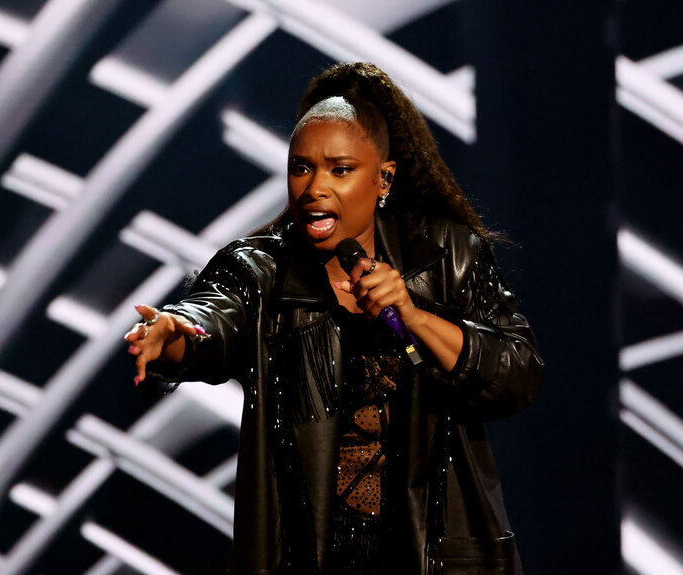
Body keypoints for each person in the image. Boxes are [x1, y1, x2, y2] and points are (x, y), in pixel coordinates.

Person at [123, 62, 543, 574]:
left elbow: (518, 374)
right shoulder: (261, 272)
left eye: (339, 170)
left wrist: (414, 315)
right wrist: (169, 335)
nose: (314, 187)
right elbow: (212, 319)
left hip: (435, 559)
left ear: (383, 177)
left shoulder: (448, 256)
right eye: (301, 168)